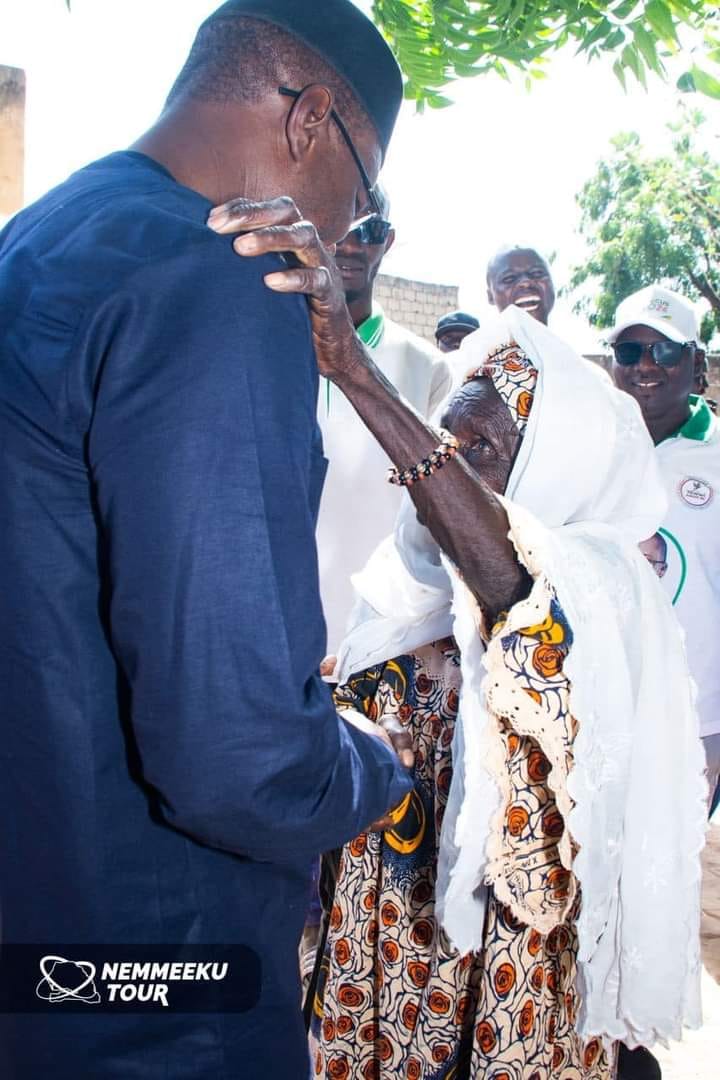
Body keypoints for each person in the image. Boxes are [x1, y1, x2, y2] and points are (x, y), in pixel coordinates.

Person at [0, 3, 416, 1078]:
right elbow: (238, 762)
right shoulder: (227, 277)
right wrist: (371, 766)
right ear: (311, 120)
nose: (343, 235)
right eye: (364, 201)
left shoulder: (45, 233)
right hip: (160, 984)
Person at [213, 201, 704, 1076]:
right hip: (381, 956)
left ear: (551, 462)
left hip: (503, 985)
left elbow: (522, 594)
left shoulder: (599, 583)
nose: (450, 456)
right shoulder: (409, 585)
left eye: (483, 445)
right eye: (451, 435)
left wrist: (356, 374)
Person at [318, 188, 453, 654]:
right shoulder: (264, 349)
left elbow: (438, 516)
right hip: (268, 626)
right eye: (343, 227)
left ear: (387, 241)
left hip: (377, 636)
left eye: (369, 231)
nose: (351, 245)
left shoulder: (428, 369)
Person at [609, 285, 720, 801]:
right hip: (601, 712)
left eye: (666, 350)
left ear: (696, 364)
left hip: (697, 726)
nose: (645, 366)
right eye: (630, 351)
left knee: (670, 876)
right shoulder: (591, 448)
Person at [486, 244, 556, 325]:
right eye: (509, 278)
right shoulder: (478, 338)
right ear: (490, 296)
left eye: (537, 273)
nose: (525, 282)